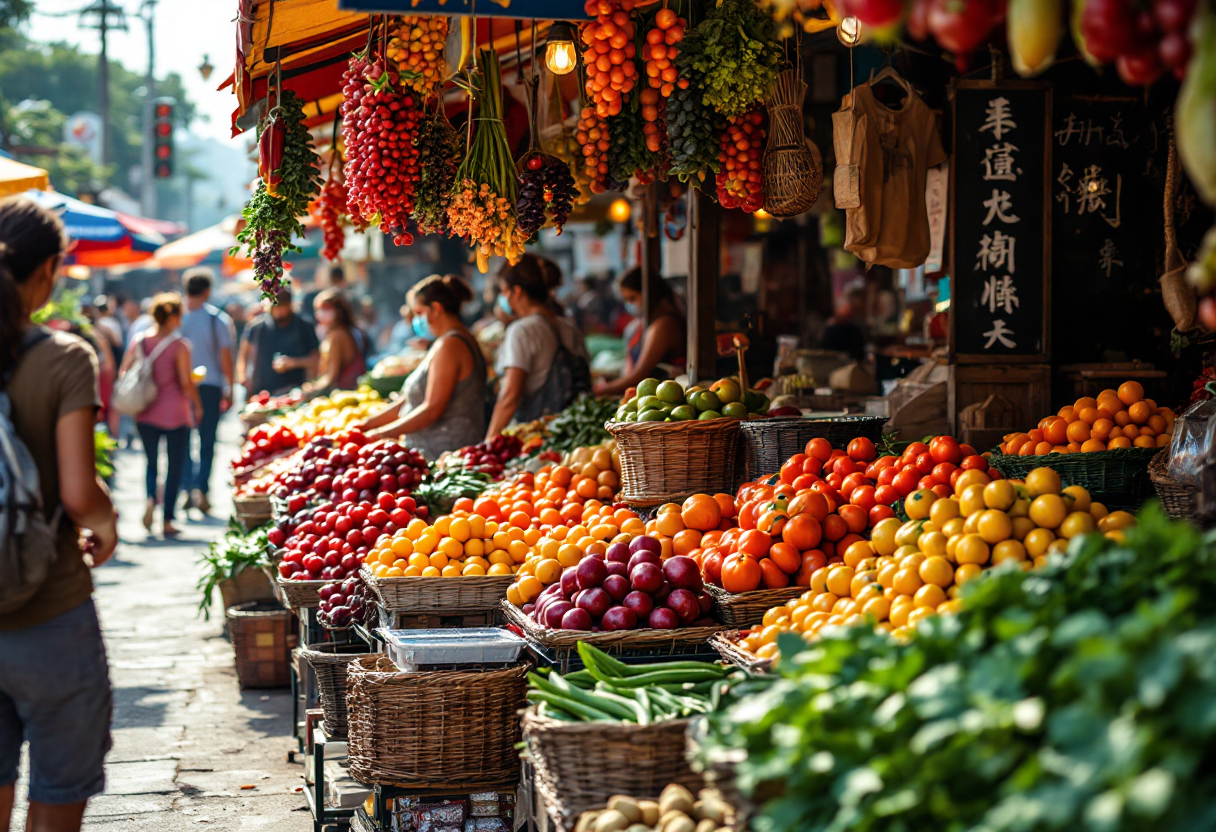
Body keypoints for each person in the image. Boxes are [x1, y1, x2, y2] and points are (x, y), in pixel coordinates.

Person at [0, 196, 118, 832]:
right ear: (47, 271)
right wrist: (107, 523)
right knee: (56, 794)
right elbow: (79, 494)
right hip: (48, 612)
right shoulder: (65, 358)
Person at [356, 275, 487, 459]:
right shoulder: (450, 340)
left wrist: (381, 434)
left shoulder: (450, 345)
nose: (415, 321)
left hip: (445, 454)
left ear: (436, 309)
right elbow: (406, 401)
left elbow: (432, 409)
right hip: (441, 450)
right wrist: (367, 425)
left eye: (419, 313)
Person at [119, 293, 202, 538]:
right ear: (173, 316)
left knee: (151, 463)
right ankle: (167, 519)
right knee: (174, 466)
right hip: (174, 413)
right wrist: (197, 404)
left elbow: (126, 369)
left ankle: (150, 499)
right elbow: (186, 383)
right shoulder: (180, 346)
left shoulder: (140, 340)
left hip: (145, 412)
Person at [487, 254, 589, 438]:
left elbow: (510, 397)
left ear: (516, 292)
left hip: (538, 436)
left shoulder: (522, 331)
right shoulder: (568, 327)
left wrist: (489, 441)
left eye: (503, 291)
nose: (502, 298)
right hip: (576, 430)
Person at [178, 268, 235, 514]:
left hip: (181, 386)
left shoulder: (176, 317)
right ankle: (202, 487)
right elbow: (225, 356)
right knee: (207, 439)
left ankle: (188, 485)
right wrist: (230, 386)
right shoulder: (217, 319)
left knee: (181, 439)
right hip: (210, 385)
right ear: (208, 291)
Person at [593, 268, 686, 397]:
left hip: (666, 398)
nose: (629, 305)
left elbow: (639, 375)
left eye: (632, 298)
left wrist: (602, 390)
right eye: (626, 300)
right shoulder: (648, 322)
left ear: (650, 294)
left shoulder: (663, 325)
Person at [237, 288, 320, 397]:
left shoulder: (304, 326)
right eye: (274, 306)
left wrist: (293, 362)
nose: (278, 310)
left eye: (281, 306)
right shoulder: (257, 327)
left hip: (295, 391)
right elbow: (243, 355)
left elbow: (316, 359)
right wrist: (243, 378)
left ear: (289, 305)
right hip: (262, 392)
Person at [299, 289, 367, 395]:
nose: (319, 314)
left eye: (325, 309)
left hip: (344, 394)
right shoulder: (336, 332)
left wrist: (309, 393)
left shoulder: (338, 335)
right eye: (317, 309)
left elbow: (331, 376)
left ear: (338, 311)